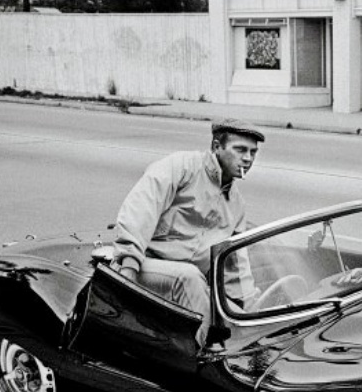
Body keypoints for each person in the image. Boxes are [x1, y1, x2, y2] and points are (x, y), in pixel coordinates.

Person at [112, 118, 264, 347]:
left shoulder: (236, 203)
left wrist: (250, 308)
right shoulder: (181, 167)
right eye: (240, 149)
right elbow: (140, 211)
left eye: (253, 152)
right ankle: (198, 362)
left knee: (240, 322)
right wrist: (128, 270)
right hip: (145, 266)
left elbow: (235, 263)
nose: (248, 158)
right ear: (216, 147)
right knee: (189, 277)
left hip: (192, 280)